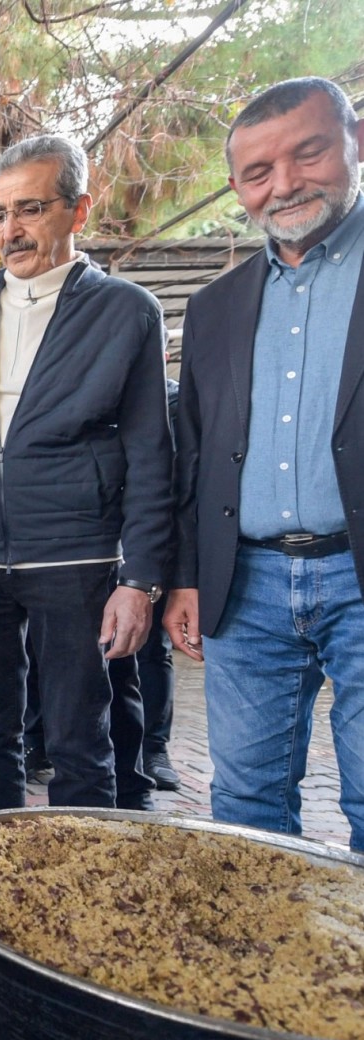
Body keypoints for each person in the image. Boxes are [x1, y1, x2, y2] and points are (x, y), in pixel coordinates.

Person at [0, 135, 172, 816]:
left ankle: (80, 895)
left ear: (77, 211)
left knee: (78, 740)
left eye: (30, 209)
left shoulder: (127, 312)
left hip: (77, 558)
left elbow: (151, 454)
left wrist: (140, 579)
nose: (10, 230)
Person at [164, 77, 364, 851]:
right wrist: (185, 574)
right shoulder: (214, 307)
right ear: (238, 188)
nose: (283, 184)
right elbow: (196, 456)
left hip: (356, 576)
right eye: (257, 171)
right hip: (245, 586)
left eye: (307, 152)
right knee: (244, 802)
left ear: (353, 144)